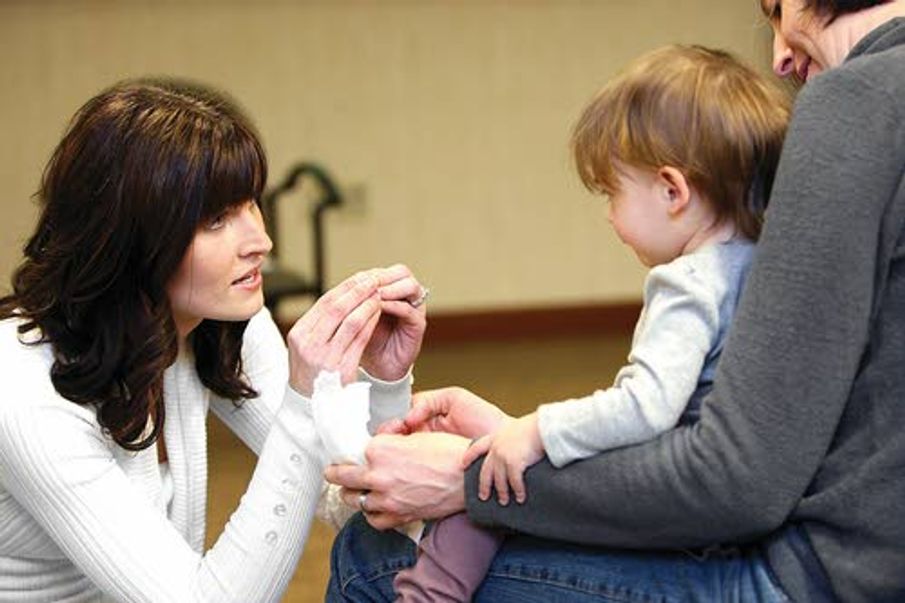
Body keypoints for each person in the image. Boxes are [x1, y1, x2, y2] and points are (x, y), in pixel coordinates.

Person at [324, 0, 905, 600]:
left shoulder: (854, 106)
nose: (779, 55)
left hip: (817, 576)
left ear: (673, 189)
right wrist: (516, 437)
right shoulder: (754, 256)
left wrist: (477, 474)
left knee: (371, 559)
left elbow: (722, 472)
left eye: (778, 8)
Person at [388, 44, 791, 603]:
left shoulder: (688, 283)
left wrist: (533, 430)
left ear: (672, 192)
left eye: (612, 192)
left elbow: (648, 405)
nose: (608, 215)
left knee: (492, 470)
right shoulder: (765, 260)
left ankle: (427, 593)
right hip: (726, 520)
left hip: (681, 522)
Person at [0, 77, 427, 602]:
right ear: (131, 238)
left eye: (251, 204)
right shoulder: (25, 392)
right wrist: (302, 403)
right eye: (217, 219)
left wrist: (383, 382)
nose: (261, 243)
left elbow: (354, 499)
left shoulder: (220, 321)